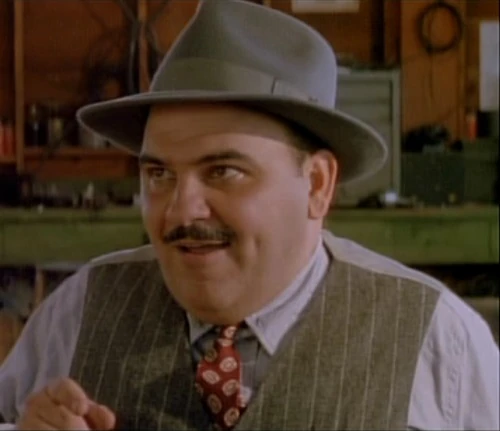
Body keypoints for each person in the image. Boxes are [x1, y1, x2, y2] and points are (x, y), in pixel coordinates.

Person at [1, 0, 498, 429]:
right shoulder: (79, 312)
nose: (181, 209)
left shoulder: (435, 339)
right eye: (159, 174)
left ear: (318, 185)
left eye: (223, 171)